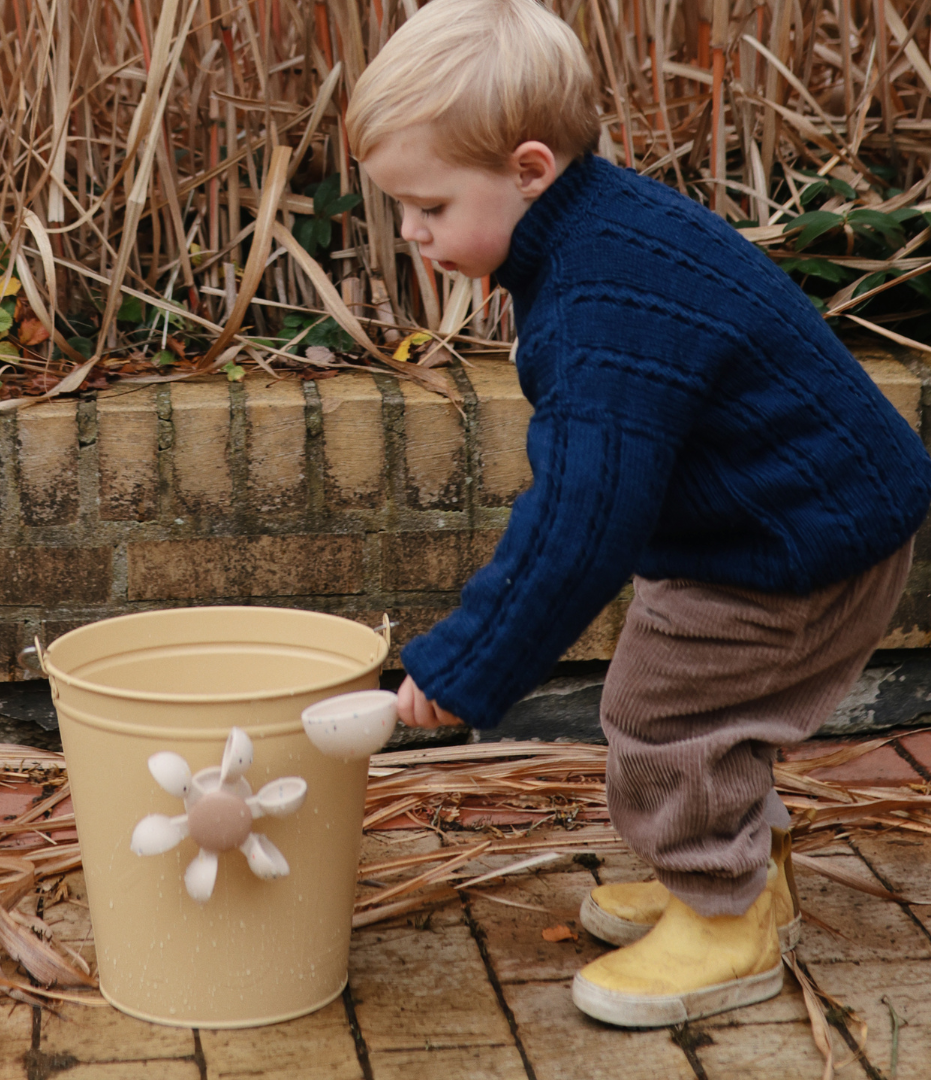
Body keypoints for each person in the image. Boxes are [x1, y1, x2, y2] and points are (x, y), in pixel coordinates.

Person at [345, 0, 931, 1028]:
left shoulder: (599, 306)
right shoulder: (600, 226)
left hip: (795, 540)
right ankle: (744, 876)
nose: (411, 232)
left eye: (429, 205)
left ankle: (724, 918)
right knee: (695, 701)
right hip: (780, 514)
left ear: (530, 169)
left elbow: (581, 520)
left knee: (667, 716)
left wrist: (463, 664)